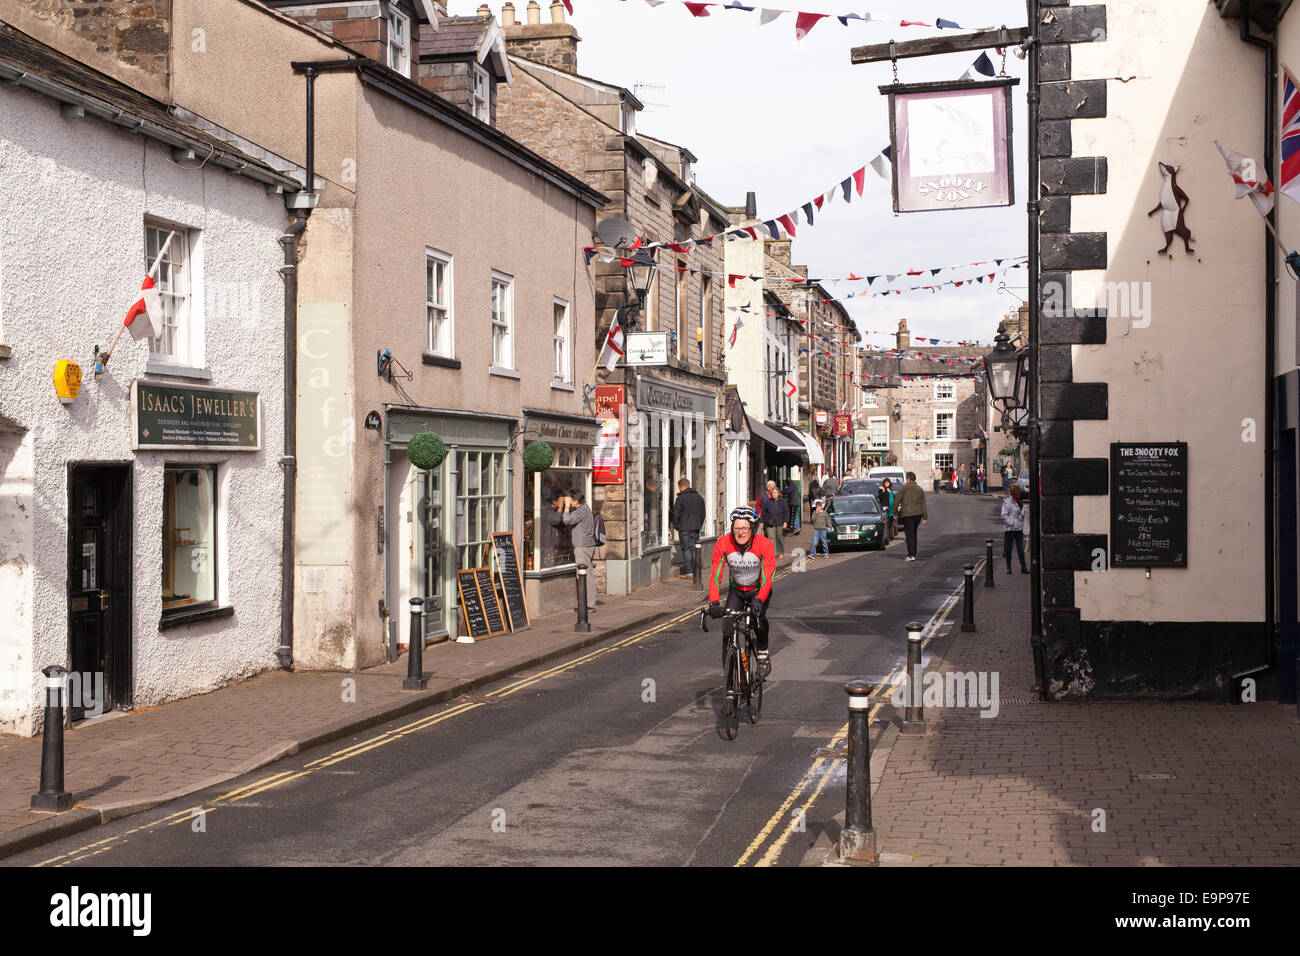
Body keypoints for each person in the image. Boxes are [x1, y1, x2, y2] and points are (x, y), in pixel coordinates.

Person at [707, 507, 777, 675]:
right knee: (727, 627)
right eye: (737, 528)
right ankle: (730, 680)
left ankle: (763, 655)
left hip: (758, 591)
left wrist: (759, 600)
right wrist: (714, 602)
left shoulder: (764, 545)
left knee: (758, 619)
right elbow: (716, 576)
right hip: (736, 591)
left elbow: (768, 578)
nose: (740, 532)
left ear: (752, 529)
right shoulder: (723, 544)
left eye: (745, 528)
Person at [549, 488, 598, 610]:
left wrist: (565, 507)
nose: (569, 502)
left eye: (570, 500)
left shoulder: (581, 511)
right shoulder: (585, 508)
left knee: (584, 575)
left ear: (575, 501)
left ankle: (588, 606)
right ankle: (587, 603)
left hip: (583, 547)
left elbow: (566, 520)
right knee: (587, 575)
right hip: (587, 545)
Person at [670, 477, 706, 578]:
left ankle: (689, 572)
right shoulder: (699, 497)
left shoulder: (680, 498)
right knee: (695, 549)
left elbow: (676, 514)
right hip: (695, 527)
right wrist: (699, 524)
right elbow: (703, 513)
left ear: (680, 487)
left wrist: (676, 526)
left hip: (684, 528)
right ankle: (696, 571)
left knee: (686, 549)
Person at [894, 472, 928, 561]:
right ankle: (914, 553)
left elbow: (896, 501)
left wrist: (895, 513)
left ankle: (911, 554)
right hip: (918, 514)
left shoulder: (903, 488)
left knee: (909, 534)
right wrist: (925, 517)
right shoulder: (919, 489)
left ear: (908, 479)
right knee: (914, 532)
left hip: (907, 514)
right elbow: (923, 504)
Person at [1001, 486, 1029, 574]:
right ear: (1015, 494)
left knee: (1021, 549)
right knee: (1009, 549)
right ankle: (1008, 568)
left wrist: (1023, 513)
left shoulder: (1019, 502)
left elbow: (1019, 515)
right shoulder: (1007, 502)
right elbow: (1003, 515)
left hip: (1019, 529)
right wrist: (1013, 523)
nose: (1020, 495)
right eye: (1018, 493)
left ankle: (1023, 567)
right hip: (1010, 529)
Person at [761, 485, 789, 558]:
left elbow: (786, 512)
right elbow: (763, 512)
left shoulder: (783, 502)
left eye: (776, 493)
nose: (774, 494)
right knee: (771, 539)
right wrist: (761, 522)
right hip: (770, 522)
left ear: (779, 493)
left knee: (779, 538)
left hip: (780, 522)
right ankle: (773, 553)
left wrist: (785, 522)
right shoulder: (768, 501)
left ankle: (781, 553)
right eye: (773, 493)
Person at [877, 478, 896, 543]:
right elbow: (880, 497)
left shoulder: (890, 490)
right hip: (885, 509)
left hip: (891, 509)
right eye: (886, 483)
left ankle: (891, 536)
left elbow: (893, 498)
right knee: (886, 524)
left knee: (891, 524)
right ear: (884, 483)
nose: (887, 484)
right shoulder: (882, 490)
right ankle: (886, 538)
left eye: (888, 482)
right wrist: (883, 490)